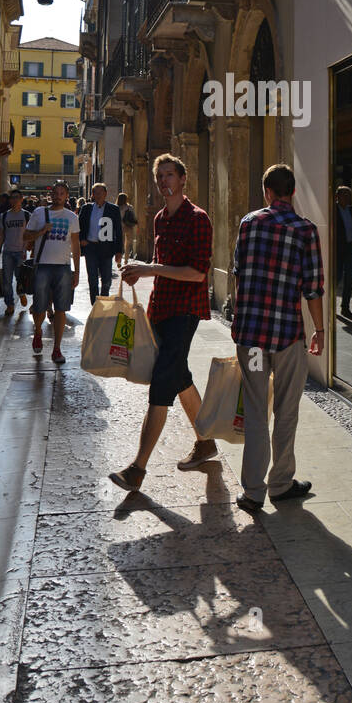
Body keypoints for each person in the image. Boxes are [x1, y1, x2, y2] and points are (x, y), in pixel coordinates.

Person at [109, 154, 214, 491]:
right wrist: (140, 273)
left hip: (186, 311)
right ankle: (207, 441)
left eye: (170, 175)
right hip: (161, 307)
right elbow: (161, 263)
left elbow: (197, 273)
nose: (164, 181)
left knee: (162, 383)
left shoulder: (198, 219)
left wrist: (151, 269)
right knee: (179, 375)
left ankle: (137, 469)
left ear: (183, 179)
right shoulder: (158, 220)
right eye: (160, 177)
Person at [231, 163, 325, 514]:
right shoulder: (306, 230)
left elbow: (239, 275)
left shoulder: (248, 223)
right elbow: (313, 287)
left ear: (266, 191)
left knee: (256, 410)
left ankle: (253, 492)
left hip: (252, 336)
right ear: (293, 192)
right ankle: (281, 484)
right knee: (287, 411)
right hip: (287, 335)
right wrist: (319, 329)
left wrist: (239, 319)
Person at [23, 181, 80, 365]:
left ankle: (57, 349)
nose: (58, 196)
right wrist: (41, 231)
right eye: (55, 193)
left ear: (66, 196)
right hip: (42, 266)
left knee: (61, 308)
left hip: (63, 267)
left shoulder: (72, 217)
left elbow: (76, 245)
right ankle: (38, 331)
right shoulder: (39, 213)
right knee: (39, 306)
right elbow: (25, 236)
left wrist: (77, 271)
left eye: (62, 193)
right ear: (51, 195)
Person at [78, 183, 122, 304]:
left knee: (106, 280)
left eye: (100, 192)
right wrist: (81, 239)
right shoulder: (86, 209)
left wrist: (119, 251)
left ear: (105, 194)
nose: (98, 195)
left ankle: (104, 303)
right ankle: (95, 305)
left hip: (106, 249)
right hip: (90, 247)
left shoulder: (113, 209)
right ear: (92, 194)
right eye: (95, 193)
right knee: (92, 280)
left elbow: (118, 230)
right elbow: (79, 226)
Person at [0, 189, 30, 316]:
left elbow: (28, 235)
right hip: (8, 252)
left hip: (20, 252)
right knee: (6, 280)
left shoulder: (26, 215)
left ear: (21, 199)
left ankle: (21, 293)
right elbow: (1, 235)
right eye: (12, 198)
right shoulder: (4, 216)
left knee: (20, 278)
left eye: (17, 197)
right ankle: (9, 304)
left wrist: (25, 249)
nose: (14, 200)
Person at [334, 185, 352, 318]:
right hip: (338, 249)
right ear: (337, 196)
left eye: (348, 196)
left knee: (349, 278)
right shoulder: (333, 210)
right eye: (344, 195)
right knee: (336, 278)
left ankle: (345, 307)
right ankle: (331, 305)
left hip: (350, 248)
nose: (347, 198)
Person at [117, 191, 138, 264]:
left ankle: (119, 261)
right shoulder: (130, 207)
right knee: (128, 244)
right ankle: (126, 260)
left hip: (120, 227)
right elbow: (134, 217)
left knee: (120, 244)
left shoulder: (116, 208)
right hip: (129, 227)